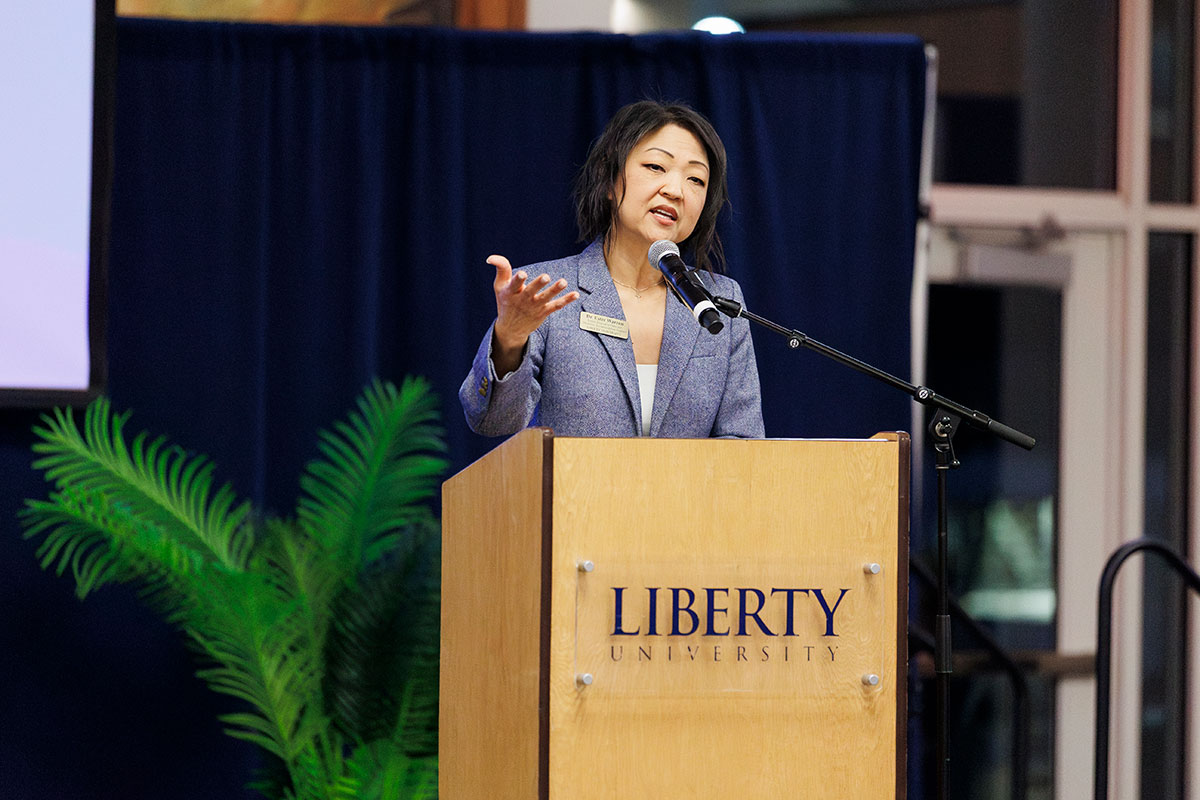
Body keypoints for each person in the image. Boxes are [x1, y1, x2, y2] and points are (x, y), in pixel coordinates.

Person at [459, 100, 764, 438]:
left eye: (696, 179)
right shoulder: (545, 292)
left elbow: (743, 444)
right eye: (655, 167)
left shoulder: (720, 300)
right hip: (572, 492)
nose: (675, 191)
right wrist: (510, 338)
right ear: (607, 177)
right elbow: (491, 422)